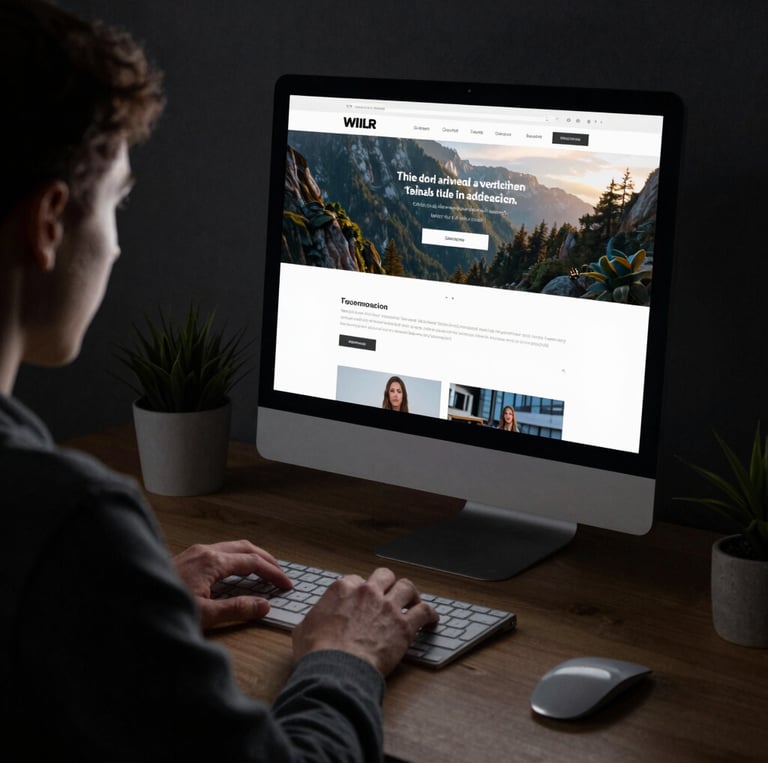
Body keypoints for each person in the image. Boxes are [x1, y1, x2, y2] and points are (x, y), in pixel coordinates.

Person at [0, 1, 437, 759]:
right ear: (48, 223)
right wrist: (346, 655)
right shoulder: (66, 523)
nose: (117, 246)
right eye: (117, 203)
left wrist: (127, 605)